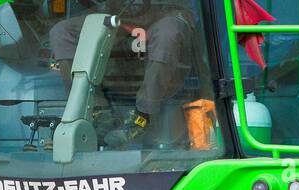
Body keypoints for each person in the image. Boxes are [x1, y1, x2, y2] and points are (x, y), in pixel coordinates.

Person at [49, 1, 194, 148]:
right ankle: (98, 112)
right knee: (61, 32)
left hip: (162, 11)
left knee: (168, 33)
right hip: (114, 13)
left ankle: (143, 116)